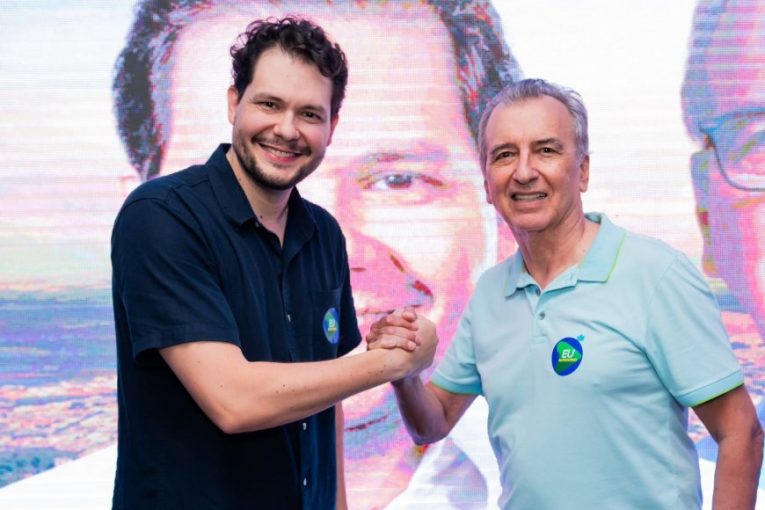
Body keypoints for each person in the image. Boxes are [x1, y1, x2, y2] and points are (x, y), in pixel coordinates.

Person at [112, 0, 521, 507]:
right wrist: (392, 363)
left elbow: (328, 400)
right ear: (233, 103)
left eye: (398, 180)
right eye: (269, 104)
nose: (287, 129)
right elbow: (233, 401)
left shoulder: (322, 233)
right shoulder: (161, 214)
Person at [369, 78, 764, 509]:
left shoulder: (656, 274)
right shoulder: (489, 294)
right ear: (486, 183)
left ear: (584, 171)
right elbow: (434, 423)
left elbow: (740, 432)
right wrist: (404, 373)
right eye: (504, 155)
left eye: (546, 150)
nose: (523, 172)